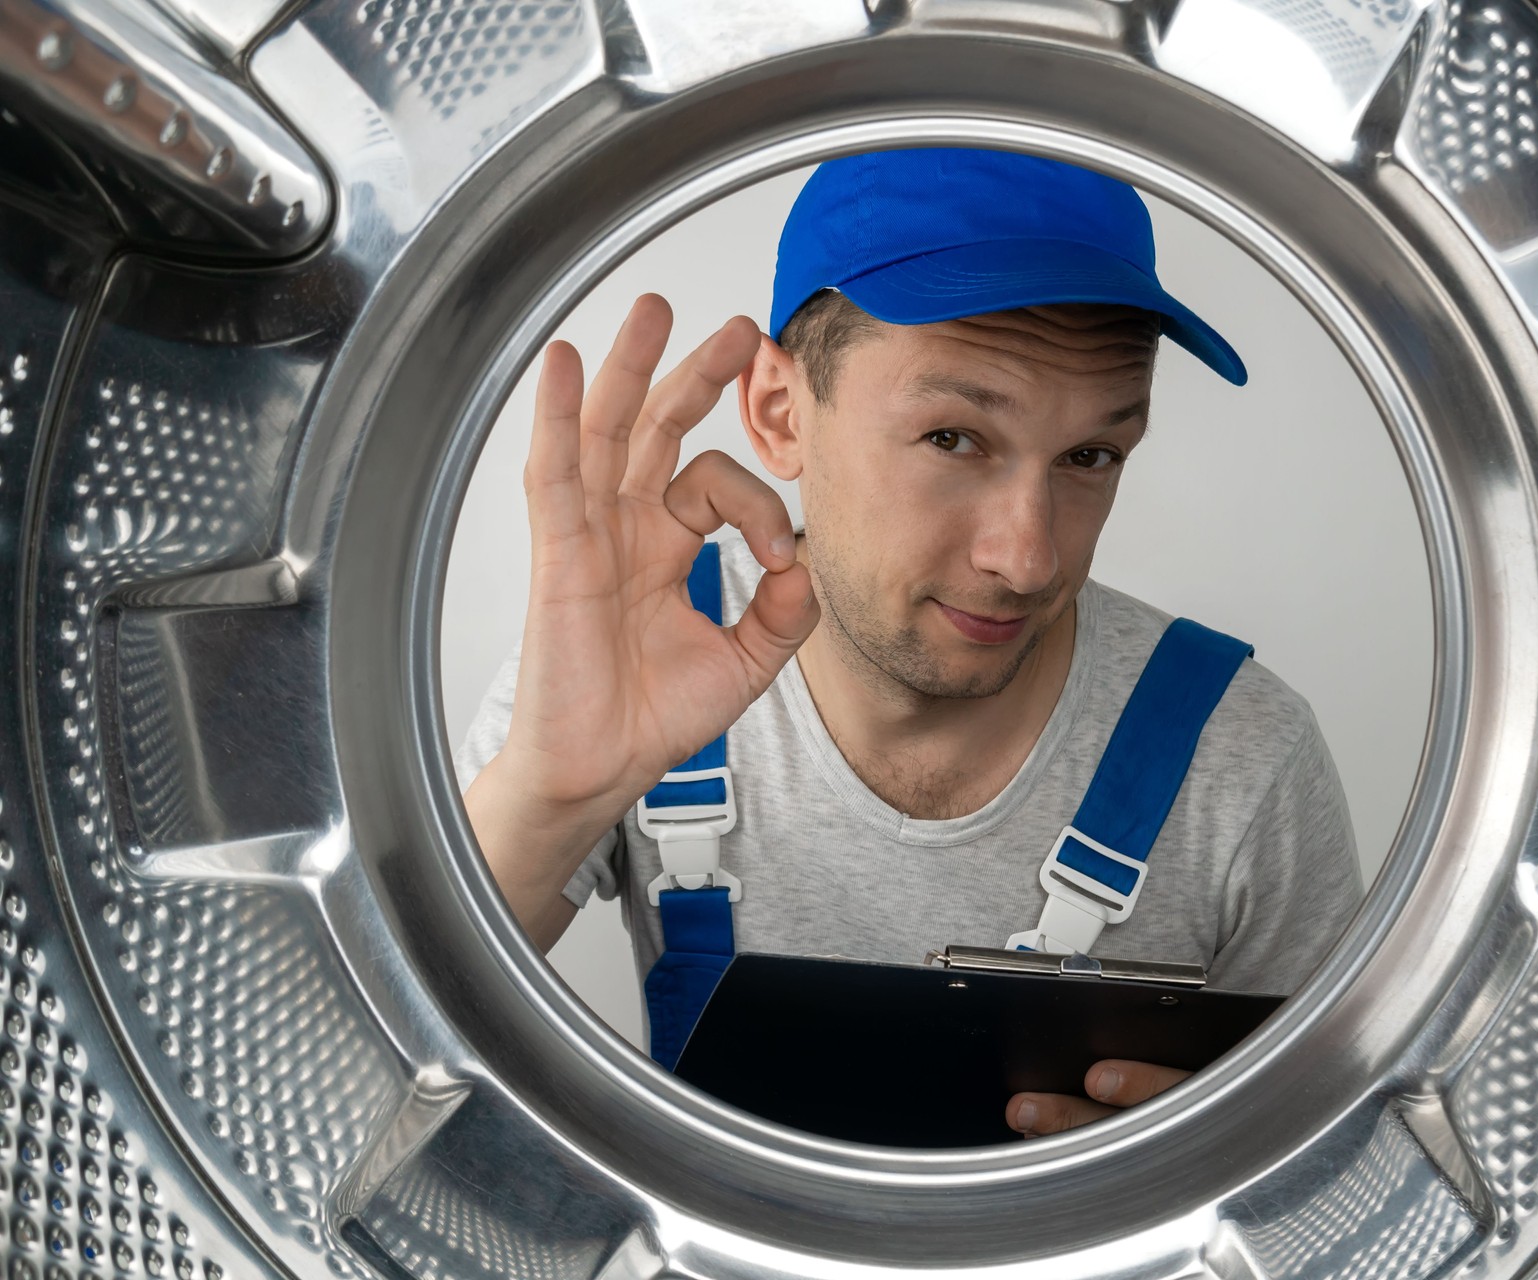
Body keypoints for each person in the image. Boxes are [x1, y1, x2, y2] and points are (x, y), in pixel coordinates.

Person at [457, 148, 1364, 1138]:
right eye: (953, 438)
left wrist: (1236, 1168)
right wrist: (548, 794)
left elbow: (1356, 1186)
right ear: (778, 410)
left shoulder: (1244, 758)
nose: (1025, 557)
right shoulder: (634, 659)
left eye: (1091, 455)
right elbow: (357, 1067)